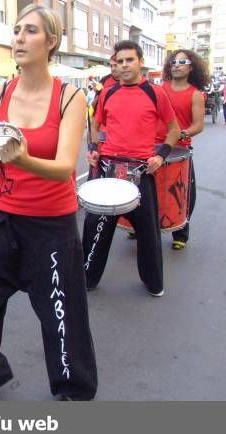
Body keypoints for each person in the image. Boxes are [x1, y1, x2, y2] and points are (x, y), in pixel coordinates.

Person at [0, 5, 97, 401]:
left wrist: (23, 158)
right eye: (16, 30)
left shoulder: (71, 97)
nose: (18, 37)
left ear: (50, 42)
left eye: (30, 31)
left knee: (60, 312)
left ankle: (73, 387)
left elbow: (65, 165)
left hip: (51, 223)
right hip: (2, 213)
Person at [84, 40, 180, 298]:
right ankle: (87, 277)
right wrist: (93, 148)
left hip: (141, 173)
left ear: (140, 62)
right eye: (119, 61)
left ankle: (153, 282)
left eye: (129, 60)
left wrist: (161, 155)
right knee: (96, 226)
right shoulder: (108, 92)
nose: (124, 65)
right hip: (109, 170)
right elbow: (95, 123)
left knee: (148, 233)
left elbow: (174, 130)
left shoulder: (155, 93)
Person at [156, 49, 208, 250]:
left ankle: (180, 233)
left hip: (180, 151)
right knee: (148, 190)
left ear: (191, 67)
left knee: (183, 194)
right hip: (154, 148)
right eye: (173, 62)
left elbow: (198, 125)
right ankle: (139, 225)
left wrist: (182, 134)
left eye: (182, 61)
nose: (176, 65)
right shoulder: (160, 89)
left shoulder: (195, 94)